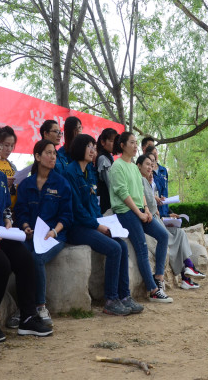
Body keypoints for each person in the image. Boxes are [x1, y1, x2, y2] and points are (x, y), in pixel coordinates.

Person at [0, 129, 52, 342]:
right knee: (1, 264)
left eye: (1, 145)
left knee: (26, 259)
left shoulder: (0, 177)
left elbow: (6, 207)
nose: (0, 148)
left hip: (2, 233)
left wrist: (7, 219)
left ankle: (28, 318)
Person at [63, 134, 143, 316]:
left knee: (122, 245)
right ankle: (111, 300)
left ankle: (124, 296)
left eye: (94, 147)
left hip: (92, 224)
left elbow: (93, 204)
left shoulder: (89, 172)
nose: (93, 150)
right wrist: (97, 226)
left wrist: (102, 222)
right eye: (89, 146)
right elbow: (76, 209)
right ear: (79, 148)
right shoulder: (70, 172)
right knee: (114, 248)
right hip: (77, 227)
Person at [14, 140, 73, 326]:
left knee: (36, 258)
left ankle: (40, 306)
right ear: (38, 157)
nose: (53, 157)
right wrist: (25, 226)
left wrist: (54, 232)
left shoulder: (62, 184)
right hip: (30, 235)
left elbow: (67, 216)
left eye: (54, 153)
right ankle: (23, 308)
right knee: (20, 256)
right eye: (48, 153)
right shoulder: (26, 184)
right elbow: (20, 211)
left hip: (54, 236)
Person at [109, 132, 172, 303]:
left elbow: (141, 191)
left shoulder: (133, 167)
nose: (135, 146)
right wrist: (139, 213)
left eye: (136, 142)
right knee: (142, 248)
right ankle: (153, 290)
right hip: (125, 212)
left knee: (163, 235)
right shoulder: (117, 166)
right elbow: (123, 193)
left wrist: (146, 210)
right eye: (132, 142)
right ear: (122, 145)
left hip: (141, 211)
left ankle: (158, 277)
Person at [138, 154, 205, 289]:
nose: (150, 167)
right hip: (151, 221)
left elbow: (153, 205)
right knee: (171, 237)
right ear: (138, 166)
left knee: (179, 232)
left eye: (152, 164)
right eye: (147, 164)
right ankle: (186, 273)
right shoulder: (140, 181)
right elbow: (148, 206)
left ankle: (187, 272)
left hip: (157, 219)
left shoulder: (147, 182)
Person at [0, 125, 19, 207]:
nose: (9, 149)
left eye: (12, 146)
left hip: (13, 210)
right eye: (6, 145)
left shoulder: (12, 166)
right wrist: (3, 183)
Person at [96, 128, 118, 214]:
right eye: (111, 141)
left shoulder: (109, 156)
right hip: (107, 205)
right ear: (103, 142)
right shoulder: (103, 158)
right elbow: (110, 183)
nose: (114, 144)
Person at [145, 145, 170, 218]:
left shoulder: (163, 170)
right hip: (153, 207)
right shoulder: (147, 172)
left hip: (164, 205)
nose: (156, 156)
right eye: (153, 154)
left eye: (156, 153)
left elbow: (165, 188)